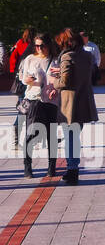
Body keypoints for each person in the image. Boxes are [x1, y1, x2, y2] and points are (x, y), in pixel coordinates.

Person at [53, 29, 96, 185]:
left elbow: (64, 82)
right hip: (84, 100)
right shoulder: (87, 55)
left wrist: (53, 81)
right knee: (75, 137)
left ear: (68, 43)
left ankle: (72, 170)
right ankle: (73, 168)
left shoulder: (67, 56)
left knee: (70, 137)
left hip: (70, 103)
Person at [17, 32, 57, 178]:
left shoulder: (55, 60)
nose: (39, 49)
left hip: (51, 102)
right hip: (33, 100)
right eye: (37, 46)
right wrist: (26, 79)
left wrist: (55, 89)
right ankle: (27, 167)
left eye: (42, 46)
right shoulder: (30, 59)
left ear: (48, 45)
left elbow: (60, 79)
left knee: (51, 136)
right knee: (30, 134)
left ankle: (51, 168)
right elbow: (22, 78)